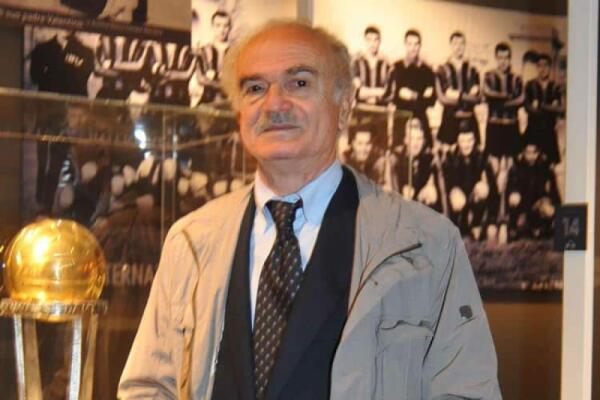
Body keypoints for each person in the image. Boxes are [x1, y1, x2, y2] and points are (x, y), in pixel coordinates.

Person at [118, 21, 501, 400]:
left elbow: (467, 391)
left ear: (344, 108)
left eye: (299, 83)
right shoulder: (191, 241)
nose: (274, 104)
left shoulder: (425, 244)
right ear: (239, 117)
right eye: (255, 88)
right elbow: (149, 388)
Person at [442, 124, 499, 240]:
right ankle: (459, 224)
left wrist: (493, 222)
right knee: (457, 197)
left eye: (469, 140)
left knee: (483, 188)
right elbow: (447, 186)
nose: (466, 144)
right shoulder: (450, 157)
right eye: (463, 141)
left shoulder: (482, 157)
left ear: (474, 140)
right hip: (459, 199)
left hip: (475, 200)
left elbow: (493, 190)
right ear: (457, 141)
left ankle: (476, 223)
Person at [382, 29, 436, 146]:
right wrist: (421, 96)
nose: (413, 48)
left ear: (420, 46)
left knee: (424, 148)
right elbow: (392, 95)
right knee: (399, 149)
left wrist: (412, 95)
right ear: (405, 45)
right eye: (410, 44)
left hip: (421, 117)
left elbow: (431, 100)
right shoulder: (397, 67)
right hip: (401, 117)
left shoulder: (427, 70)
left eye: (416, 44)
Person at [506, 140, 561, 240]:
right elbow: (510, 190)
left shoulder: (545, 167)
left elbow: (554, 192)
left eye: (534, 152)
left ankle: (540, 226)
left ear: (539, 153)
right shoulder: (516, 168)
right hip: (522, 206)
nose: (531, 156)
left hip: (538, 204)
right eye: (528, 152)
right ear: (523, 152)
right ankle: (515, 226)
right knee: (514, 198)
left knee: (549, 210)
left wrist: (553, 208)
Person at [435, 31, 481, 148]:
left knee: (470, 153)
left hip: (469, 118)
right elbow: (443, 99)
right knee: (449, 153)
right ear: (450, 45)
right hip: (449, 119)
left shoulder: (473, 70)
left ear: (465, 46)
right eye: (455, 43)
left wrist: (458, 95)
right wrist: (467, 97)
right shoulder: (442, 69)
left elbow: (477, 99)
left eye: (461, 43)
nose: (458, 47)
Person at [523, 53, 565, 165]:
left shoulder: (556, 87)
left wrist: (541, 105)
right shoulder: (530, 85)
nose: (543, 69)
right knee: (530, 163)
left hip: (549, 131)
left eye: (546, 65)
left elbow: (561, 109)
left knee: (549, 165)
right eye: (540, 65)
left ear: (550, 67)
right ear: (537, 67)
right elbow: (527, 107)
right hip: (532, 130)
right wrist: (550, 107)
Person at [191, 10, 232, 106]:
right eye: (218, 25)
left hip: (227, 103)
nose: (222, 30)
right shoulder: (202, 51)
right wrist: (221, 84)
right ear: (212, 27)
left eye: (225, 26)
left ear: (230, 28)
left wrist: (212, 80)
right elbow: (200, 78)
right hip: (206, 101)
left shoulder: (236, 52)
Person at [351, 25, 390, 105]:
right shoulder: (357, 62)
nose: (372, 44)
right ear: (365, 41)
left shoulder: (386, 64)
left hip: (380, 108)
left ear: (379, 42)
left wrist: (375, 99)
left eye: (376, 40)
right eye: (369, 40)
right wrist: (378, 91)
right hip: (361, 108)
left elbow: (388, 92)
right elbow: (357, 92)